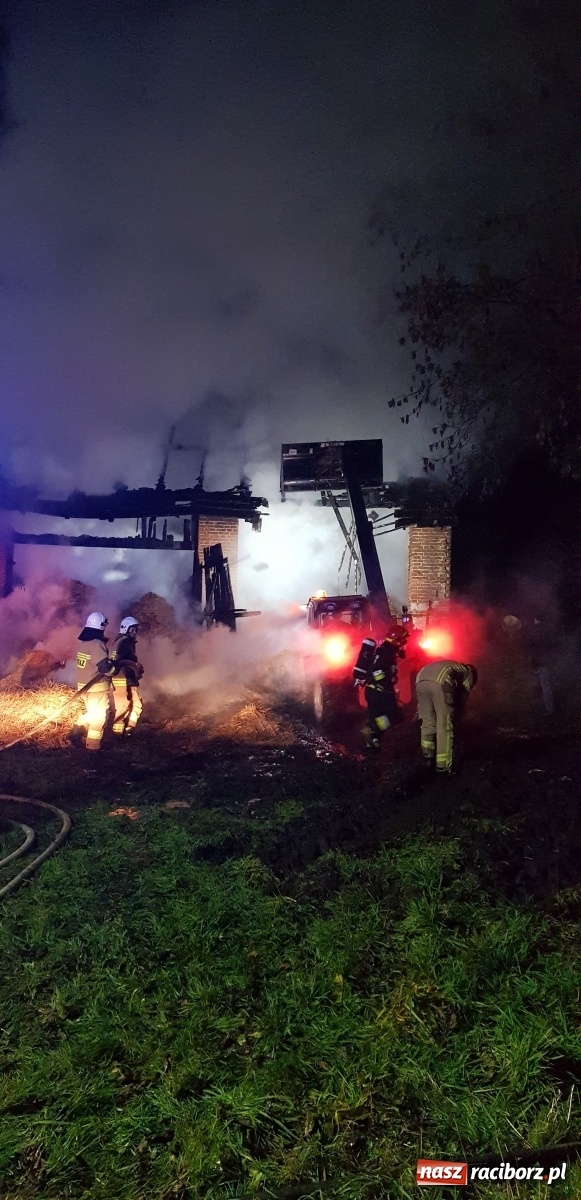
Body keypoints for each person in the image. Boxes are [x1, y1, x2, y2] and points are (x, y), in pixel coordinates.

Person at [415, 660, 477, 775]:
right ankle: (443, 766)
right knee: (444, 723)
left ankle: (428, 757)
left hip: (420, 679)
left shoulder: (453, 665)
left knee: (428, 721)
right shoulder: (468, 672)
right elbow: (464, 693)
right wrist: (457, 712)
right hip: (439, 681)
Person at [355, 624, 408, 753]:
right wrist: (386, 684)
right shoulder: (387, 652)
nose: (404, 644)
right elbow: (377, 670)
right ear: (397, 640)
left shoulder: (384, 650)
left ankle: (373, 740)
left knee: (377, 716)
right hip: (379, 691)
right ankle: (372, 730)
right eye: (403, 641)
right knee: (394, 718)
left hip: (373, 691)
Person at [75, 611, 112, 751]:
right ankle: (93, 748)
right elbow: (103, 667)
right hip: (97, 689)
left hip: (85, 688)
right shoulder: (96, 644)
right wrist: (113, 670)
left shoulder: (84, 644)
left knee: (92, 713)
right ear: (101, 626)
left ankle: (77, 730)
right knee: (98, 718)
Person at [110, 616, 144, 737]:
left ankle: (129, 730)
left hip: (128, 679)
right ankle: (117, 734)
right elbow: (121, 662)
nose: (135, 632)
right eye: (133, 630)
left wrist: (136, 667)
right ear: (125, 629)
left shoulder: (125, 641)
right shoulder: (123, 642)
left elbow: (128, 660)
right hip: (122, 679)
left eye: (136, 630)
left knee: (137, 705)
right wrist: (135, 668)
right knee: (123, 706)